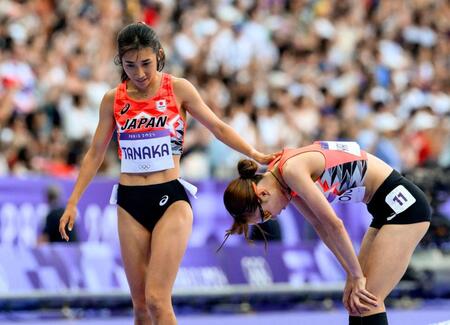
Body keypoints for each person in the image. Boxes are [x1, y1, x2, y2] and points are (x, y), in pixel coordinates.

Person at [58, 22, 276, 325]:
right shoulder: (113, 99)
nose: (140, 73)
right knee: (141, 309)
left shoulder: (178, 88)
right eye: (130, 65)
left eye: (146, 63)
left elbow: (218, 127)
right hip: (130, 201)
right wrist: (72, 202)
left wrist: (254, 153)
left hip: (170, 198)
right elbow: (95, 153)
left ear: (159, 55)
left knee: (158, 301)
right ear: (120, 62)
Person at [222, 140, 431, 325]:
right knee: (355, 302)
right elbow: (319, 226)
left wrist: (357, 275)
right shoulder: (283, 179)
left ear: (263, 193)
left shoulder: (291, 171)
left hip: (405, 207)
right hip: (383, 209)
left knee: (368, 300)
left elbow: (334, 225)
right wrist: (351, 273)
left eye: (266, 214)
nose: (274, 216)